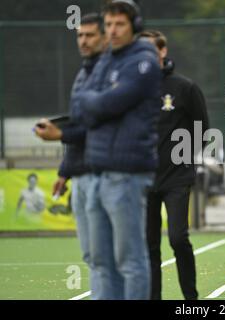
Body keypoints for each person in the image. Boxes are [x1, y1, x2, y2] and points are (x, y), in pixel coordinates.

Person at [70, 0, 161, 300]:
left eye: (119, 24)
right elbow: (84, 105)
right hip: (98, 170)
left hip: (127, 173)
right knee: (101, 261)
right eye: (108, 25)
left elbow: (109, 102)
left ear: (134, 26)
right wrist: (100, 104)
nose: (113, 30)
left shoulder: (144, 59)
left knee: (130, 260)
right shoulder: (105, 59)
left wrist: (99, 103)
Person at [34, 12, 107, 299]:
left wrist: (60, 134)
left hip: (104, 172)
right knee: (91, 253)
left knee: (108, 255)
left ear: (105, 37)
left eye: (90, 35)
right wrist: (65, 170)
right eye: (80, 35)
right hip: (80, 174)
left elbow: (100, 127)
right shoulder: (83, 73)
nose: (83, 41)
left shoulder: (109, 73)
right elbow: (78, 124)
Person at [140, 30, 209, 300]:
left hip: (177, 177)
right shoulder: (133, 89)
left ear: (162, 51)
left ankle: (190, 298)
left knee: (178, 238)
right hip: (143, 179)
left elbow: (203, 129)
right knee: (149, 245)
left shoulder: (184, 87)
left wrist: (185, 158)